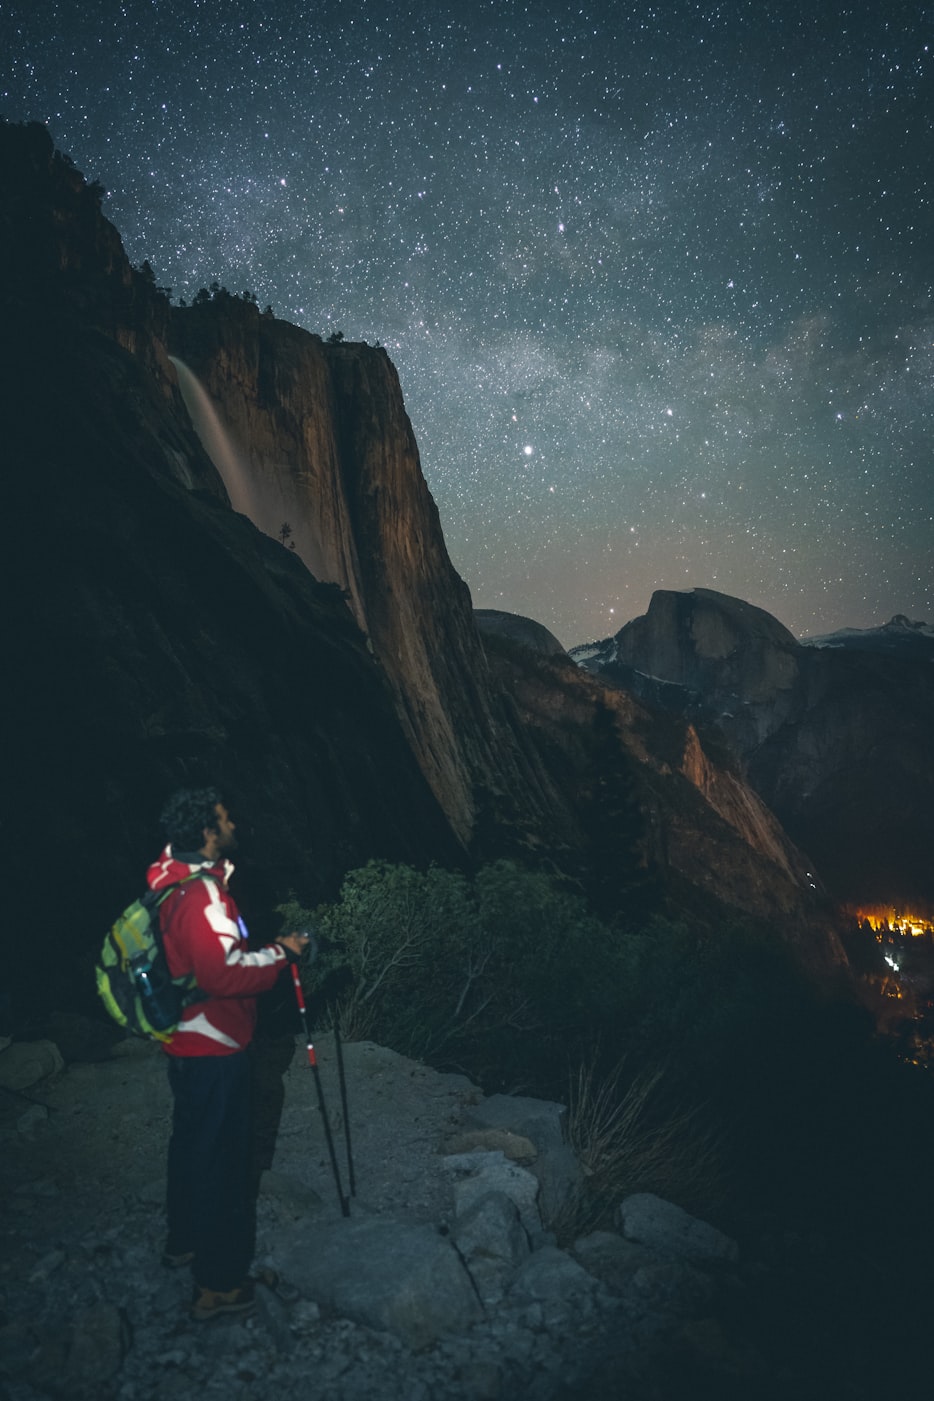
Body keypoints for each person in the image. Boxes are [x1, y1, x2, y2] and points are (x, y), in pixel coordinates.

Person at [148, 786, 308, 1321]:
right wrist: (282, 953)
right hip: (215, 1044)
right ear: (206, 832)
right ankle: (218, 1284)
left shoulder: (170, 881)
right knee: (224, 1162)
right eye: (224, 819)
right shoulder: (203, 897)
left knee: (194, 1146)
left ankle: (185, 1242)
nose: (233, 824)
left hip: (187, 1039)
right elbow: (223, 973)